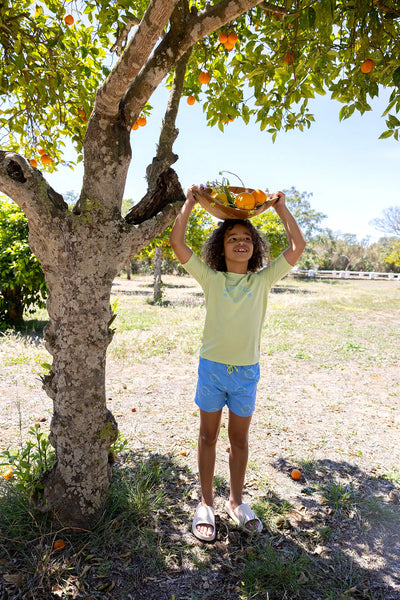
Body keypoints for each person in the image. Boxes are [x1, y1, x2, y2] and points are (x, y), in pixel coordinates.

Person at [170, 186, 306, 541]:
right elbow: (178, 243)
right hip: (212, 369)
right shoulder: (212, 279)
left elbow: (297, 248)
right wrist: (188, 203)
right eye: (233, 237)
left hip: (246, 372)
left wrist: (281, 209)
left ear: (255, 247)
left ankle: (236, 501)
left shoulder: (261, 281)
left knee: (239, 441)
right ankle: (206, 502)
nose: (241, 242)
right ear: (221, 246)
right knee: (207, 435)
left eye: (247, 237)